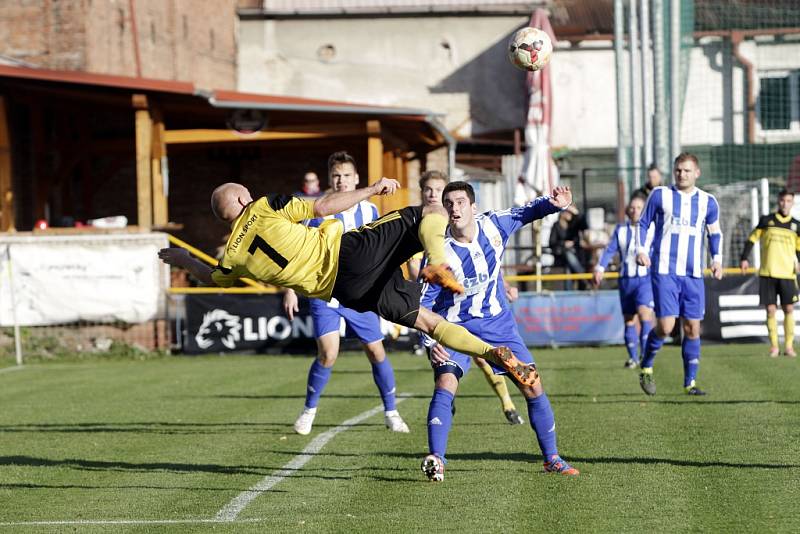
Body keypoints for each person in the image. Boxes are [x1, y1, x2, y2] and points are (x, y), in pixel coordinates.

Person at [157, 175, 573, 386]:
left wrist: (183, 257)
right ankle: (438, 261)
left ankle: (493, 354)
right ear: (245, 199)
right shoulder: (267, 206)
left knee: (427, 322)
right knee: (421, 214)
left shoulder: (232, 255)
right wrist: (371, 189)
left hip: (347, 292)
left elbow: (211, 276)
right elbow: (322, 204)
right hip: (348, 253)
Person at [419, 181, 579, 482]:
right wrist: (429, 341)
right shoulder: (438, 253)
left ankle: (552, 458)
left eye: (461, 202)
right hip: (452, 326)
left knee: (532, 383)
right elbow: (421, 304)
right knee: (446, 381)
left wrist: (555, 204)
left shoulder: (493, 225)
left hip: (497, 324)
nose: (455, 209)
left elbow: (526, 212)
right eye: (449, 204)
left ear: (473, 207)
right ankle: (436, 459)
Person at [283, 152, 409, 435]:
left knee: (376, 352)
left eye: (346, 176)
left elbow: (380, 252)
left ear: (356, 179)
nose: (341, 180)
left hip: (360, 294)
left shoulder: (370, 211)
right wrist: (291, 289)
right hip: (324, 292)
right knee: (328, 354)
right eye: (336, 176)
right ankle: (308, 412)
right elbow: (296, 251)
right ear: (331, 179)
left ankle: (392, 412)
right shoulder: (317, 209)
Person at [408, 170, 525, 426]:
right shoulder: (416, 224)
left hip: (477, 307)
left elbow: (484, 260)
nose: (433, 194)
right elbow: (413, 264)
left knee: (487, 358)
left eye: (438, 190)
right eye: (428, 189)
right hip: (440, 308)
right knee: (446, 374)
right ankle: (444, 408)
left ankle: (508, 404)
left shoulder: (463, 222)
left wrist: (503, 285)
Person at [635, 153, 723, 396]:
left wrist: (717, 260)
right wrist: (641, 250)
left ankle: (690, 383)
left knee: (693, 329)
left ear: (697, 173)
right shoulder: (660, 195)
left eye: (686, 170)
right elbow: (642, 223)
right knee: (665, 327)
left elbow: (714, 233)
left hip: (693, 273)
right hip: (664, 270)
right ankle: (647, 364)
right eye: (678, 170)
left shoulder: (708, 201)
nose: (681, 174)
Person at [593, 193, 655, 369]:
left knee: (645, 315)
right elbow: (609, 250)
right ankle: (633, 358)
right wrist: (600, 268)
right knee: (629, 320)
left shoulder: (652, 229)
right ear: (628, 211)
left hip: (645, 279)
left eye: (639, 208)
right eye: (632, 208)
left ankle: (645, 355)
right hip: (626, 280)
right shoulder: (620, 230)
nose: (635, 211)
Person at [739, 189, 800, 358]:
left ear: (792, 203)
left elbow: (799, 248)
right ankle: (774, 346)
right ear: (778, 201)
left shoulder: (796, 225)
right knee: (771, 310)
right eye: (782, 200)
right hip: (768, 273)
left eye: (788, 201)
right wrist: (744, 258)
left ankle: (788, 346)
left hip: (788, 274)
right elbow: (752, 239)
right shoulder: (767, 221)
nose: (785, 204)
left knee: (788, 308)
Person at [548, 204, 588, 289]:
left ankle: (569, 292)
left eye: (571, 213)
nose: (570, 215)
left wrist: (576, 213)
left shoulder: (573, 224)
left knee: (568, 267)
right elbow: (552, 242)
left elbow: (584, 225)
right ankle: (584, 279)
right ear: (563, 213)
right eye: (568, 212)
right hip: (562, 254)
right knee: (568, 255)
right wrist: (564, 243)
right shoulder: (556, 225)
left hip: (576, 254)